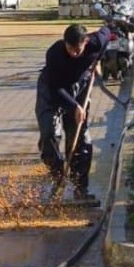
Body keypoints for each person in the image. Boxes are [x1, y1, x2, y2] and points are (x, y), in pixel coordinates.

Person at [35, 22, 110, 198]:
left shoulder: (96, 42)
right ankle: (58, 176)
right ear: (64, 42)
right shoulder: (54, 53)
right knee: (49, 134)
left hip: (79, 87)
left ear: (86, 42)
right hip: (52, 89)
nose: (74, 53)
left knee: (80, 135)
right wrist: (74, 106)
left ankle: (80, 186)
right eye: (70, 48)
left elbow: (107, 33)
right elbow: (56, 88)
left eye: (78, 49)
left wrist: (98, 59)